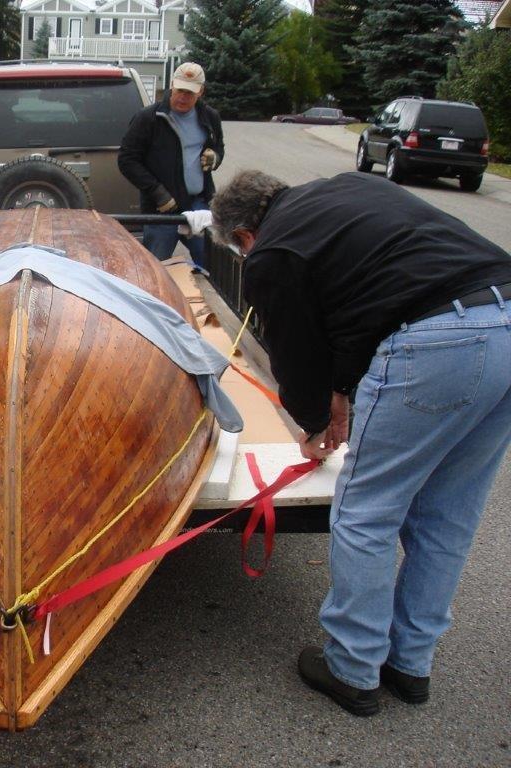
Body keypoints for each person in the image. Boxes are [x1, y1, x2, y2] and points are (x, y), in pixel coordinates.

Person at [209, 170, 511, 716]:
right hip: (504, 315)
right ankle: (409, 665)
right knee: (447, 515)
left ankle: (353, 667)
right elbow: (363, 308)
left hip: (442, 335)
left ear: (244, 237)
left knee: (367, 513)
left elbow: (296, 353)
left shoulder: (274, 251)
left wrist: (316, 423)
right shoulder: (349, 194)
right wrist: (344, 394)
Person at [117, 62, 224, 268]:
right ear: (172, 85)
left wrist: (215, 156)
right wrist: (157, 192)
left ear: (200, 91)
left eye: (190, 93)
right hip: (161, 209)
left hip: (198, 206)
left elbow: (218, 146)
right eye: (180, 90)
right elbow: (127, 159)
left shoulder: (210, 117)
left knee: (213, 267)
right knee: (156, 270)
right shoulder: (148, 118)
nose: (183, 97)